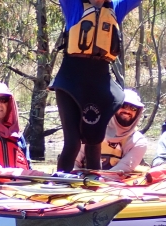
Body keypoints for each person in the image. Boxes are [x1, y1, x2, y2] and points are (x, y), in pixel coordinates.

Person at [51, 0, 143, 173]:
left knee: (94, 142)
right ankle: (59, 183)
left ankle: (94, 186)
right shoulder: (74, 6)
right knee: (72, 143)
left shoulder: (115, 8)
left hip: (99, 83)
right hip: (71, 81)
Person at [74, 88, 148, 172]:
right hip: (82, 180)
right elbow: (73, 161)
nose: (127, 110)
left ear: (138, 112)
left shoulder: (138, 142)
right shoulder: (92, 131)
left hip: (113, 182)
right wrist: (76, 177)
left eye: (133, 108)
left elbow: (124, 167)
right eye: (123, 105)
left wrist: (98, 180)